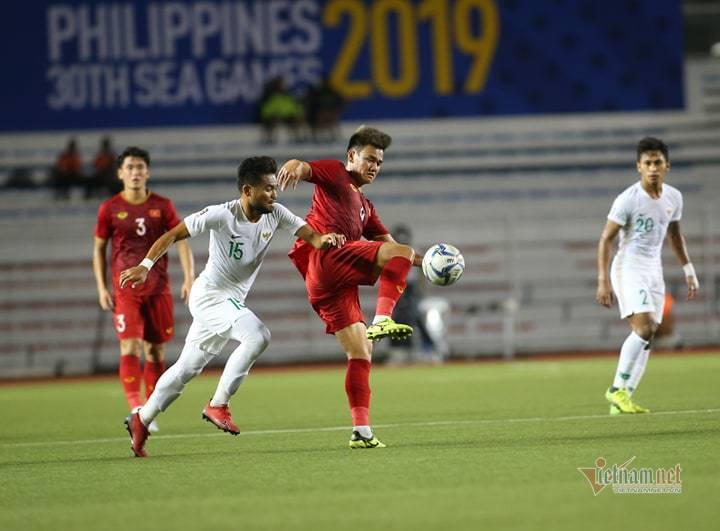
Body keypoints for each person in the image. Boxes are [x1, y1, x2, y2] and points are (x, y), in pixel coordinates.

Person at [121, 156, 345, 457]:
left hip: (229, 302)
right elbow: (173, 233)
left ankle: (141, 419)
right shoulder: (220, 214)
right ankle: (218, 404)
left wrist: (327, 239)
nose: (274, 194)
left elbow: (313, 238)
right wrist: (146, 265)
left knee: (187, 369)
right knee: (258, 335)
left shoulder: (275, 213)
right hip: (209, 295)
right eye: (267, 189)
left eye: (275, 188)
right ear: (247, 190)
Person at [278, 125, 420, 449]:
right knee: (400, 256)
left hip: (327, 284)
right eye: (369, 159)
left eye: (379, 162)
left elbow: (396, 248)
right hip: (329, 255)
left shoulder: (365, 206)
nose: (374, 167)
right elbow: (305, 168)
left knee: (361, 351)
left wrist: (430, 261)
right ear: (352, 156)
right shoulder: (336, 173)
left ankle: (361, 431)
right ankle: (383, 317)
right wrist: (293, 165)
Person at [93, 146, 195, 432]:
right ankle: (135, 406)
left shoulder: (163, 205)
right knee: (130, 345)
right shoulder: (109, 208)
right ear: (120, 173)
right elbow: (99, 249)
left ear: (147, 172)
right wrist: (102, 287)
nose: (135, 172)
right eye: (130, 167)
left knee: (155, 352)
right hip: (126, 289)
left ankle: (148, 413)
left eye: (140, 167)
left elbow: (182, 240)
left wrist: (189, 277)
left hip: (159, 289)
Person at [596, 137, 699, 415]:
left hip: (654, 270)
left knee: (649, 335)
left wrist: (688, 269)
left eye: (658, 163)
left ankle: (623, 400)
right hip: (629, 267)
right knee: (645, 328)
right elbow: (606, 239)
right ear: (638, 167)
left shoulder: (673, 197)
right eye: (647, 163)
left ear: (667, 166)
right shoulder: (628, 200)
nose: (653, 168)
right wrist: (603, 280)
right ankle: (616, 390)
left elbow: (675, 234)